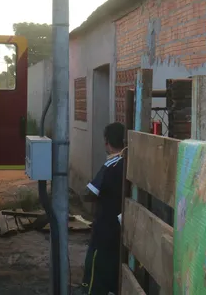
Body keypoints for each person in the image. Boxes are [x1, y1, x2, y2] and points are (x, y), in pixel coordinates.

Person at [76, 122, 126, 295]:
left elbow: (89, 193)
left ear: (107, 142)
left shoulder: (111, 166)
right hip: (122, 230)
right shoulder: (129, 162)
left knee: (95, 270)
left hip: (105, 230)